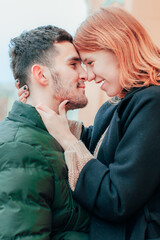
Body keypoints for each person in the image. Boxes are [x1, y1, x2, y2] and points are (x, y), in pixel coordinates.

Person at [21, 6, 160, 240]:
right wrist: (47, 115)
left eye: (90, 62)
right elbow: (96, 143)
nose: (89, 76)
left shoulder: (152, 103)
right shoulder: (114, 106)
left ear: (117, 47)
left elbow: (117, 198)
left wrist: (66, 138)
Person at [0, 25, 90, 240]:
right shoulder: (21, 147)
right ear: (41, 74)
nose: (85, 75)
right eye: (73, 64)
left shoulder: (54, 136)